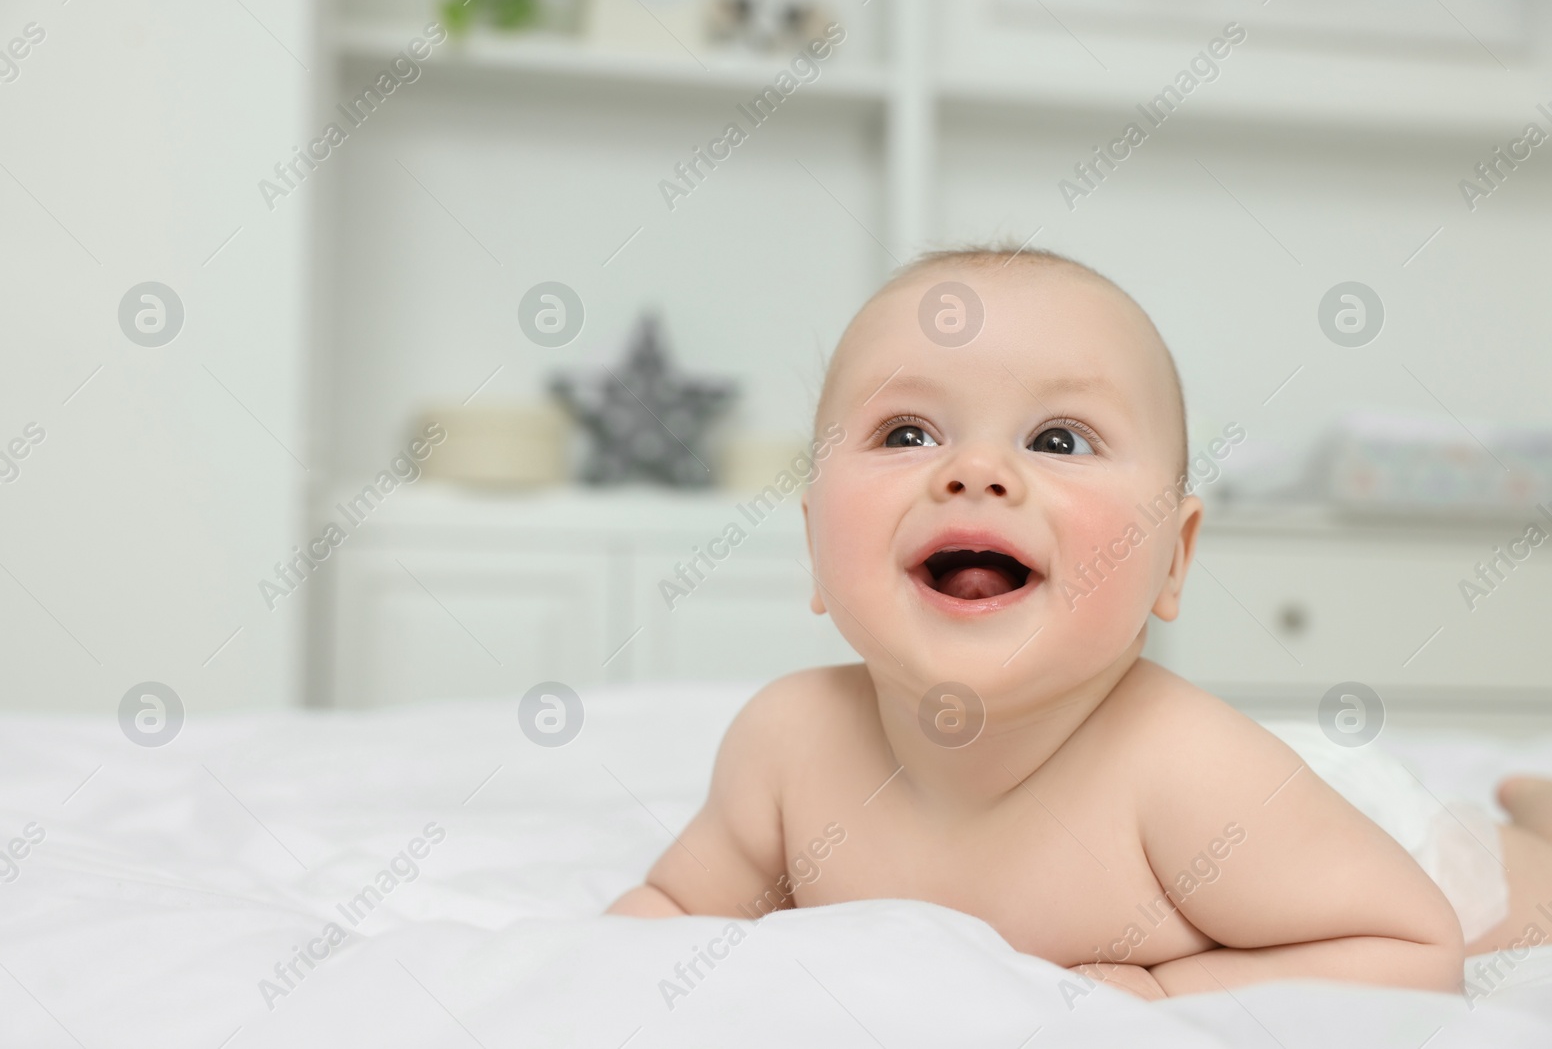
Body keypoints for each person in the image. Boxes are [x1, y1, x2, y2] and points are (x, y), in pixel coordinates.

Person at [607, 247, 1552, 1000]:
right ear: (815, 546)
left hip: (1342, 825)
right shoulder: (786, 745)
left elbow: (1414, 940)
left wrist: (1168, 987)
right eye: (907, 433)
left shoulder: (1191, 773)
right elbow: (677, 908)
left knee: (1530, 892)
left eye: (1058, 439)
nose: (974, 471)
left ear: (1171, 559)